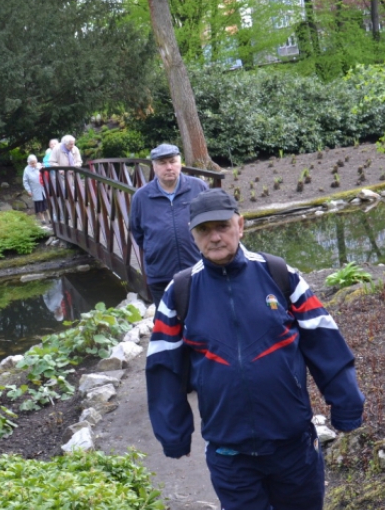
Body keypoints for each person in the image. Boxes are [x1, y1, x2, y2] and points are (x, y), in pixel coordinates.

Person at [146, 188, 365, 510]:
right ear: (193, 236)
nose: (215, 237)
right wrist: (173, 433)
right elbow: (164, 366)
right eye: (204, 230)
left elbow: (325, 341)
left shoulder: (280, 275)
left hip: (293, 447)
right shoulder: (180, 290)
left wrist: (347, 406)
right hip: (229, 455)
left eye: (222, 226)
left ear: (240, 225)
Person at [129, 143, 208, 308]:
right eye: (162, 163)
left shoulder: (198, 188)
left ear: (180, 162)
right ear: (154, 167)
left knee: (201, 319)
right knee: (168, 326)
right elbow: (137, 232)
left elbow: (212, 223)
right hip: (161, 274)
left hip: (197, 270)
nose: (169, 167)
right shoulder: (141, 197)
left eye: (173, 161)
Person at [22, 154, 48, 224]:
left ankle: (50, 218)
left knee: (46, 204)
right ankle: (43, 219)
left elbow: (46, 173)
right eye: (32, 163)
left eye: (35, 162)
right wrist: (28, 190)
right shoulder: (26, 170)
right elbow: (25, 181)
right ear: (29, 163)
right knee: (39, 205)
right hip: (35, 190)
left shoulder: (40, 166)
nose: (34, 164)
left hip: (43, 188)